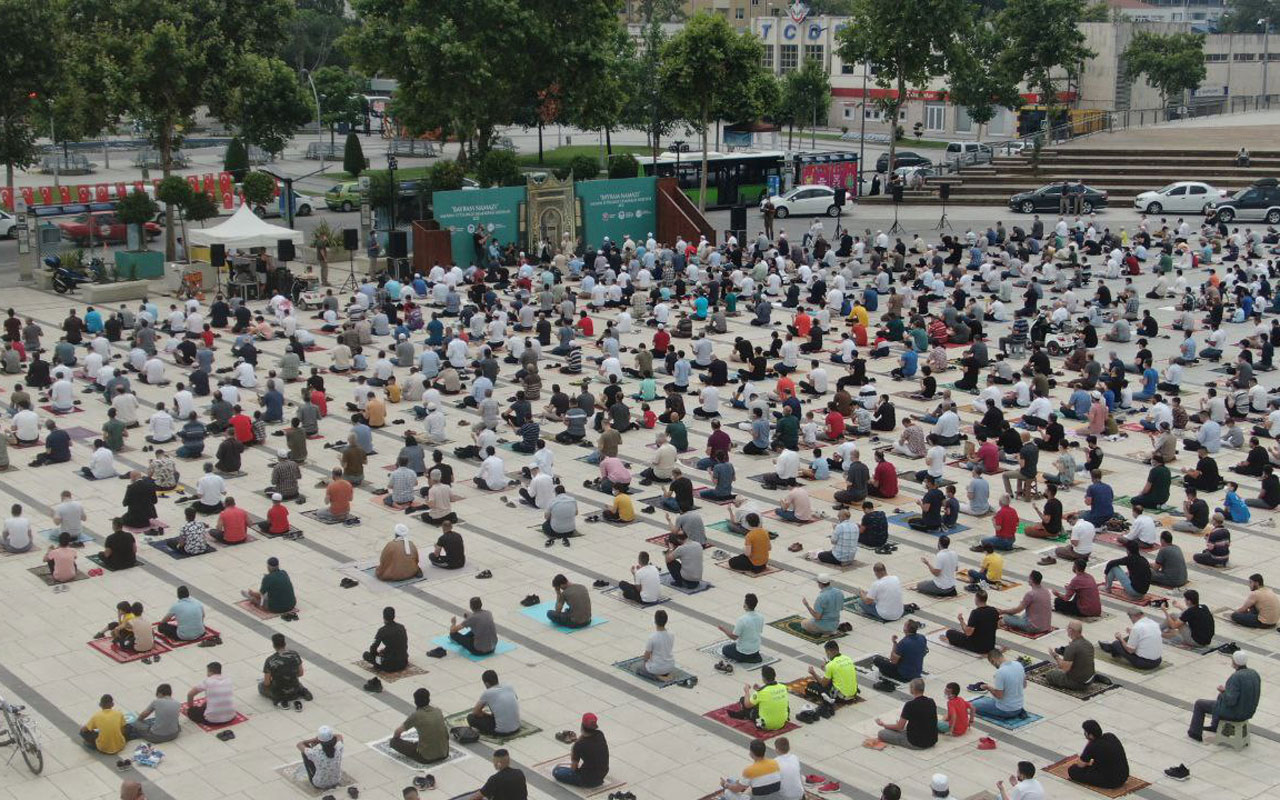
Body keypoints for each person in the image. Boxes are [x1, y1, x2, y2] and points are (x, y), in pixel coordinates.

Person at [1187, 651, 1261, 742]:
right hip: (1248, 712)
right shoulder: (1254, 674)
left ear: (1234, 662)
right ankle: (1215, 726)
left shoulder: (1236, 677)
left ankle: (1195, 733)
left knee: (1199, 704)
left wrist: (1223, 691)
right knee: (1219, 699)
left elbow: (1231, 701)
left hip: (1236, 713)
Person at [390, 688, 450, 763]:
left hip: (426, 757)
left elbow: (398, 731)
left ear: (415, 701)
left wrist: (396, 738)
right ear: (429, 699)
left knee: (393, 742)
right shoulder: (438, 711)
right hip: (444, 753)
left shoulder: (416, 715)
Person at [875, 678, 938, 749]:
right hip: (932, 740)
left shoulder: (910, 705)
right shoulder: (931, 701)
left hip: (916, 743)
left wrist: (884, 725)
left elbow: (899, 727)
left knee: (882, 733)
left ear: (912, 689)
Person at [1067, 720, 1130, 790]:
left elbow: (1080, 765)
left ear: (1090, 735)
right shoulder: (1110, 736)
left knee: (1073, 770)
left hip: (1112, 782)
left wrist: (1089, 744)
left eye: (1085, 732)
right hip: (1124, 776)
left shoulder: (1093, 745)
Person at [552, 713, 609, 788]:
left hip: (587, 781)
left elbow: (573, 768)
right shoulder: (600, 734)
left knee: (556, 770)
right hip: (602, 774)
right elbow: (587, 738)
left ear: (582, 726)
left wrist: (573, 749)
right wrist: (577, 740)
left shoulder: (579, 745)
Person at [728, 664, 790, 731]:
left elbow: (747, 705)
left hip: (765, 725)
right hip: (782, 723)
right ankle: (742, 714)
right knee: (774, 702)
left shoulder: (761, 692)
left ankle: (743, 714)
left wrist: (747, 691)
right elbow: (772, 695)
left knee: (743, 700)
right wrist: (760, 689)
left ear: (763, 678)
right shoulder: (783, 687)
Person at [971, 649, 1027, 720]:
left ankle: (1000, 717)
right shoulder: (1018, 664)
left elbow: (999, 696)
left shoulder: (1000, 672)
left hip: (1006, 710)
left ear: (993, 660)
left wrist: (987, 687)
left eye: (992, 663)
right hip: (1019, 706)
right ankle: (1018, 712)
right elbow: (1024, 685)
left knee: (973, 706)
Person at [718, 739, 782, 800]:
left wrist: (725, 784)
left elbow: (737, 790)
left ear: (751, 753)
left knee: (727, 792)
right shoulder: (775, 763)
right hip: (776, 798)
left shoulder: (749, 770)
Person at [260, 633, 312, 706]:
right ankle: (303, 691)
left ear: (274, 645)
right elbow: (301, 673)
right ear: (285, 643)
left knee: (261, 686)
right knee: (294, 682)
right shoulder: (294, 654)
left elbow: (267, 683)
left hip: (279, 692)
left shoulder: (270, 660)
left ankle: (278, 699)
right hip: (294, 689)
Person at [871, 618, 929, 683]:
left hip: (904, 675)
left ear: (905, 629)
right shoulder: (922, 637)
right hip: (917, 673)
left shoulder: (903, 643)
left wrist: (895, 643)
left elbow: (893, 661)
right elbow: (924, 651)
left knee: (877, 660)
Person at [466, 670, 521, 737]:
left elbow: (476, 712)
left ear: (486, 683)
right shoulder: (509, 686)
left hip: (501, 732)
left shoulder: (488, 693)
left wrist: (486, 714)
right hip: (517, 727)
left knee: (471, 718)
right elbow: (514, 699)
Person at [1043, 621, 1095, 691]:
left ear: (1070, 631)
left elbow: (1064, 668)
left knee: (1050, 674)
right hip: (1090, 680)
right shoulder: (1089, 644)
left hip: (1078, 684)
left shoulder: (1072, 647)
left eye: (1067, 628)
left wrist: (1055, 656)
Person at [717, 593, 765, 666]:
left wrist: (723, 629)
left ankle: (745, 658)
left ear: (745, 605)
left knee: (725, 649)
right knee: (734, 646)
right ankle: (754, 657)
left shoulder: (742, 620)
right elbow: (759, 631)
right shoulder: (761, 617)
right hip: (756, 649)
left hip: (743, 651)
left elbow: (734, 637)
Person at [805, 640, 858, 704]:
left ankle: (829, 699)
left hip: (841, 697)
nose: (827, 655)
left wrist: (813, 673)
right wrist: (825, 669)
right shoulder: (848, 658)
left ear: (829, 652)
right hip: (853, 693)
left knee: (810, 686)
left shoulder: (831, 665)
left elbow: (823, 684)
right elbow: (839, 671)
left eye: (826, 652)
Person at [363, 606, 409, 679]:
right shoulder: (401, 627)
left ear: (384, 617)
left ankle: (378, 663)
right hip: (403, 661)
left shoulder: (382, 631)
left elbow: (373, 648)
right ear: (394, 616)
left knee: (366, 655)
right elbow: (402, 644)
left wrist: (377, 655)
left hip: (388, 665)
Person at [296, 726, 345, 791]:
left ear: (320, 741)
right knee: (312, 756)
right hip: (336, 780)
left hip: (319, 784)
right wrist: (328, 737)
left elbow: (299, 744)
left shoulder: (315, 752)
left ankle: (312, 771)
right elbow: (339, 736)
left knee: (304, 753)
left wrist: (314, 739)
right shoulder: (339, 747)